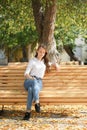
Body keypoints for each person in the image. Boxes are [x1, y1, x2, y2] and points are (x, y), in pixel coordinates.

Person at [23, 44, 59, 120]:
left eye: (43, 52)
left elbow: (52, 64)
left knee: (30, 90)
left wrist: (56, 65)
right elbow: (26, 73)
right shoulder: (32, 60)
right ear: (37, 51)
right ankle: (37, 102)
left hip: (39, 82)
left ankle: (28, 113)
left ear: (45, 53)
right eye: (40, 51)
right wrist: (31, 78)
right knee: (34, 83)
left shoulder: (45, 62)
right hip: (29, 80)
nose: (41, 53)